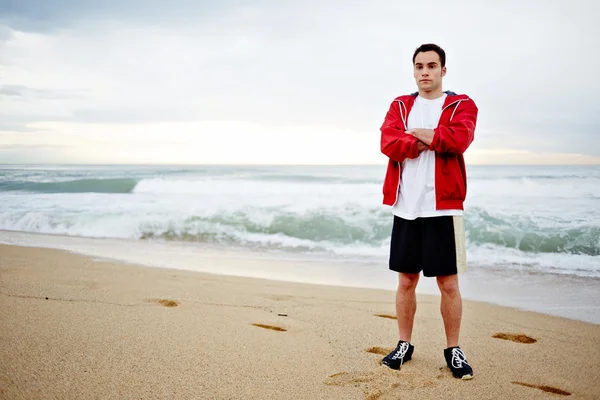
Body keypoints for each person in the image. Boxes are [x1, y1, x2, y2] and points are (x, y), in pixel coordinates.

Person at [378, 43, 478, 380]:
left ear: (443, 71)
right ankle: (404, 344)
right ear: (414, 70)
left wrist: (423, 136)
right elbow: (387, 143)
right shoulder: (401, 105)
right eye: (419, 66)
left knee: (448, 283)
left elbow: (459, 138)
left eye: (432, 66)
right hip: (406, 207)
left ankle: (454, 349)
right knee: (406, 280)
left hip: (444, 208)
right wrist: (431, 138)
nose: (425, 71)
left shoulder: (461, 104)